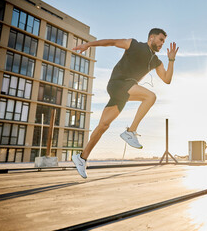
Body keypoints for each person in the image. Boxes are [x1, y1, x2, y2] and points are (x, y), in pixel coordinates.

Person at [71, 28, 179, 178]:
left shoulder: (156, 61)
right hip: (118, 83)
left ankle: (82, 158)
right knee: (150, 97)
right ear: (152, 37)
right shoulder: (133, 44)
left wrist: (171, 60)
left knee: (103, 125)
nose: (162, 44)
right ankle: (130, 131)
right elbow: (112, 42)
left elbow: (167, 79)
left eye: (163, 42)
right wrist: (89, 45)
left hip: (122, 93)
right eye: (161, 40)